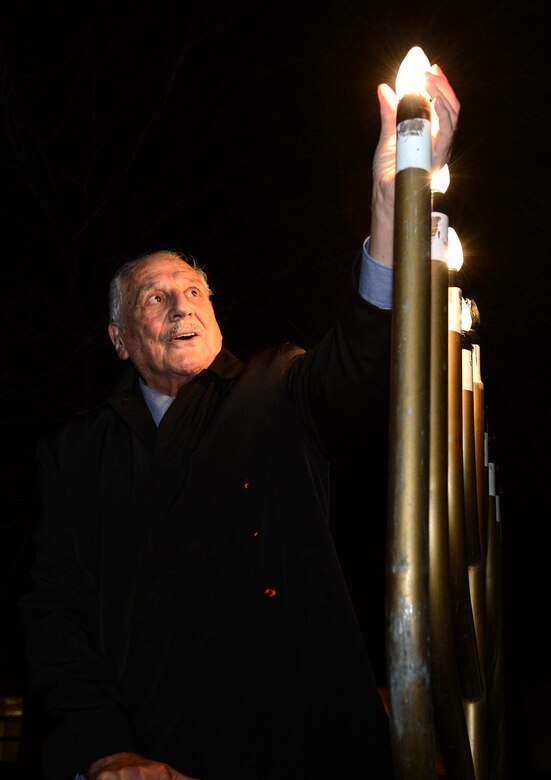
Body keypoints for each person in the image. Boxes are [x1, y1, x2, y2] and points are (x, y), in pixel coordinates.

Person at [19, 65, 459, 780]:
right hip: (151, 755)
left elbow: (364, 356)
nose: (179, 305)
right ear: (120, 339)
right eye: (154, 297)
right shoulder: (75, 455)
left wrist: (392, 201)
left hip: (302, 748)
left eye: (192, 290)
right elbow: (55, 620)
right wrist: (104, 747)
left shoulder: (277, 386)